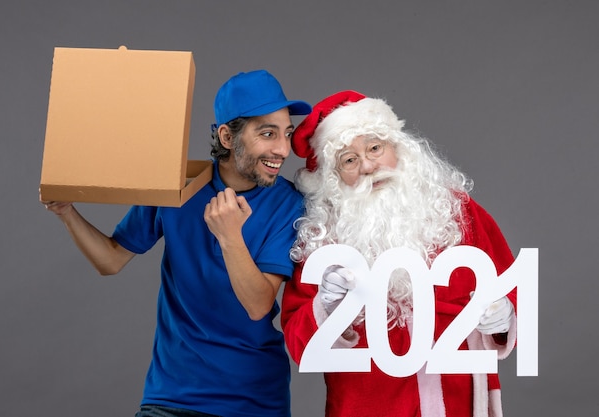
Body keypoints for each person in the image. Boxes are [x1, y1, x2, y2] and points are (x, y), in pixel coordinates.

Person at [42, 70, 311, 417]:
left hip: (255, 400)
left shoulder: (289, 204)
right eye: (267, 134)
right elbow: (110, 261)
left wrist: (229, 236)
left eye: (287, 133)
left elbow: (259, 305)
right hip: (172, 396)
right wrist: (67, 213)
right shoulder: (177, 188)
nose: (283, 149)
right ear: (228, 137)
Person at [280, 91, 517, 417]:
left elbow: (508, 283)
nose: (367, 166)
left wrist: (504, 315)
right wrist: (326, 307)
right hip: (368, 407)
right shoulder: (322, 240)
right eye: (349, 160)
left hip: (459, 402)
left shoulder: (456, 211)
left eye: (375, 148)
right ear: (333, 179)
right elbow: (297, 341)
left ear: (399, 148)